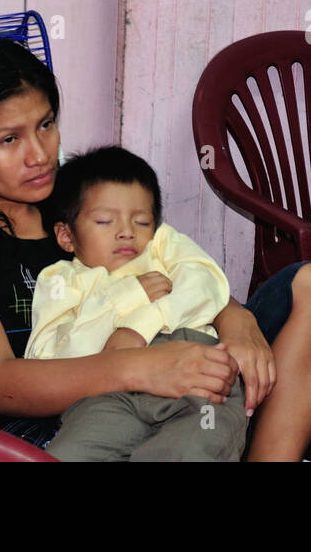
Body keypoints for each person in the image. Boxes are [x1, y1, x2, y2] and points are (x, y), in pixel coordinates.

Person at [0, 35, 311, 460]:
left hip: (163, 369)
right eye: (9, 140)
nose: (39, 154)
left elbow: (165, 265)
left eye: (45, 124)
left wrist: (236, 320)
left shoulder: (72, 196)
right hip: (49, 429)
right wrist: (138, 368)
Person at [28, 146, 247, 461]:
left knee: (195, 445)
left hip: (196, 370)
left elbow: (207, 285)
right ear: (67, 236)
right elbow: (47, 359)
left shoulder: (163, 246)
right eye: (105, 221)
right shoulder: (60, 281)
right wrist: (121, 303)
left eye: (142, 222)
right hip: (106, 393)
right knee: (69, 453)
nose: (127, 233)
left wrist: (137, 327)